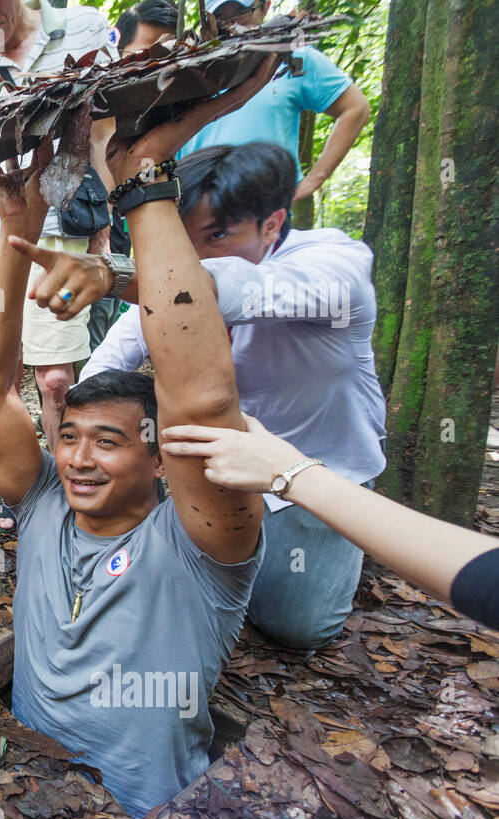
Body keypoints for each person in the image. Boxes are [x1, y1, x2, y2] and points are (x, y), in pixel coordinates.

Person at [0, 61, 276, 818]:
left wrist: (141, 186)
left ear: (161, 456)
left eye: (107, 441)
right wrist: (15, 235)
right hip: (28, 806)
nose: (76, 458)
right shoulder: (42, 505)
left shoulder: (200, 548)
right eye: (68, 436)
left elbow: (200, 397)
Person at [68, 142, 385, 650]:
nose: (193, 256)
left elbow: (234, 288)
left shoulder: (336, 265)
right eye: (183, 240)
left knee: (296, 628)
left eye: (216, 235)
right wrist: (79, 435)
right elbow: (115, 355)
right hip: (215, 473)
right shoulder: (178, 278)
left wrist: (117, 273)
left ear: (272, 223)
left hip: (316, 472)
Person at [0, 0, 117, 465]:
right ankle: (21, 487)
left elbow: (104, 141)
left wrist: (103, 238)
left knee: (56, 379)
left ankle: (67, 479)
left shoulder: (85, 29)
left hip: (60, 229)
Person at [161, 415, 499, 631]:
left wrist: (291, 474)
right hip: (253, 472)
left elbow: (482, 578)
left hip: (315, 469)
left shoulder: (332, 304)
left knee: (296, 627)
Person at [178, 0, 371, 204]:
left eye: (241, 13)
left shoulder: (291, 56)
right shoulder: (192, 69)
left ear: (265, 6)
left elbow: (355, 108)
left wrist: (313, 181)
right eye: (222, 18)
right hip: (196, 211)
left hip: (266, 215)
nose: (232, 26)